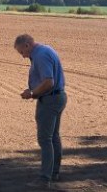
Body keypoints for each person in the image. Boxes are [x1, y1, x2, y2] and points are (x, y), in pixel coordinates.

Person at [14, 34, 67, 183]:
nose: (23, 56)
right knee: (53, 136)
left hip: (50, 100)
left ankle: (45, 177)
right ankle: (54, 172)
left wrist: (32, 93)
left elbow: (49, 82)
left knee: (45, 139)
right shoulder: (45, 50)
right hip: (57, 97)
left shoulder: (41, 55)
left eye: (22, 52)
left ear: (27, 45)